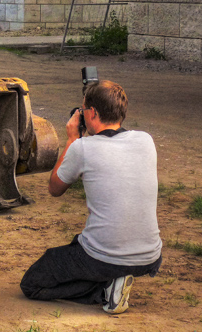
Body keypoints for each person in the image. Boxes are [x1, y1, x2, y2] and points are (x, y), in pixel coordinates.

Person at [19, 80, 162, 314]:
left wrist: (72, 140)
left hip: (104, 255)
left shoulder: (82, 148)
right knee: (84, 247)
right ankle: (114, 279)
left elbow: (55, 188)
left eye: (83, 109)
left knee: (33, 284)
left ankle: (105, 289)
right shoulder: (146, 140)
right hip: (150, 256)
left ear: (92, 113)